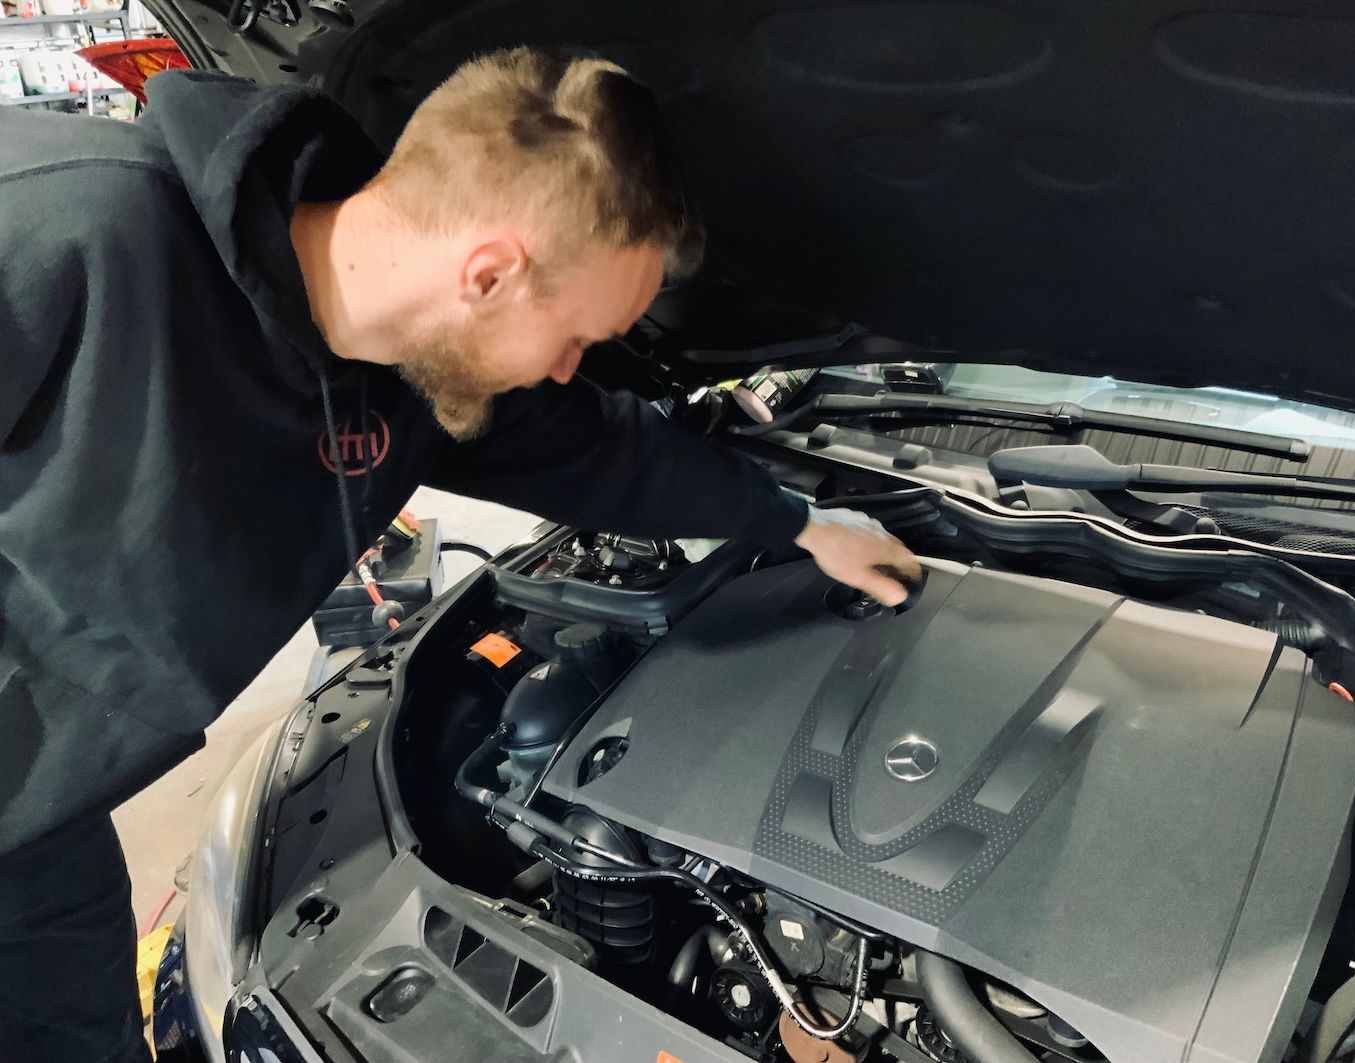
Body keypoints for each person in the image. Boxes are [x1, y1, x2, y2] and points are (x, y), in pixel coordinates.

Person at [0, 47, 919, 1062]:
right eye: (576, 338)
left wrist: (801, 523)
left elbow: (607, 450)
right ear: (489, 273)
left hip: (45, 832)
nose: (571, 369)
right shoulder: (68, 230)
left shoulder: (409, 386)